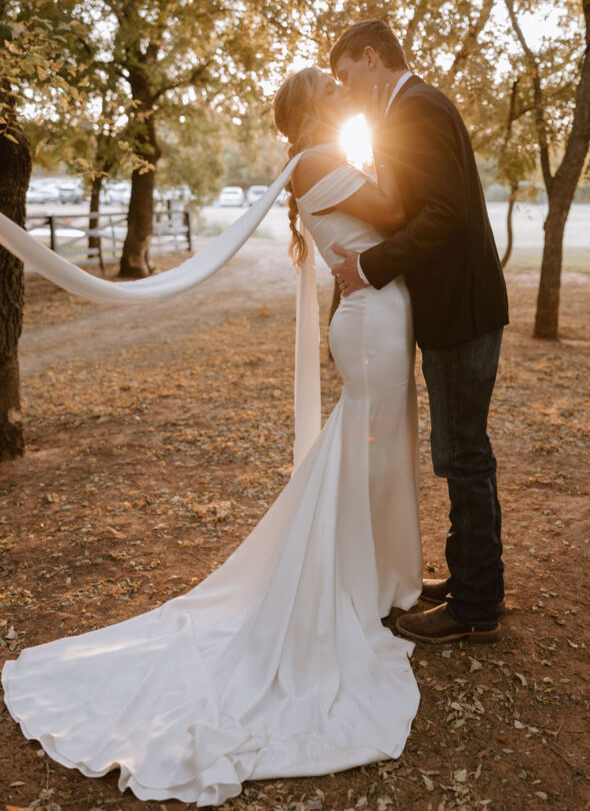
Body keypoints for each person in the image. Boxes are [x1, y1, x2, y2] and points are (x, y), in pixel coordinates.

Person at [1, 66, 424, 805]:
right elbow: (394, 212)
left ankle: (373, 578)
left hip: (380, 319)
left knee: (374, 455)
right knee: (366, 451)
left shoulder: (322, 161)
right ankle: (354, 585)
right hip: (370, 326)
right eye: (330, 85)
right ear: (313, 107)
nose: (340, 91)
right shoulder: (319, 163)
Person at [329, 19, 508, 644]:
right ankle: (469, 579)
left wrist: (369, 267)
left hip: (462, 310)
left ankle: (477, 606)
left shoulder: (416, 109)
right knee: (462, 451)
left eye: (347, 76)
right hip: (458, 309)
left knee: (464, 455)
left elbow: (444, 213)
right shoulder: (411, 108)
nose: (345, 90)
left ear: (372, 57)